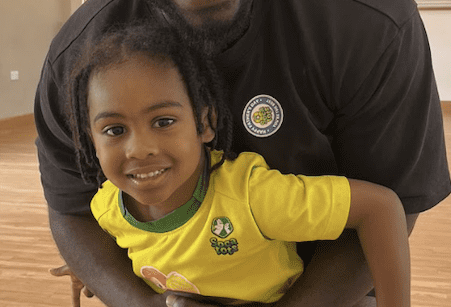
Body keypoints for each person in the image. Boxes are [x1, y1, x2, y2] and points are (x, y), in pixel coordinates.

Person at [35, 0, 451, 307]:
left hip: (325, 287)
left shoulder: (365, 18)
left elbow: (390, 204)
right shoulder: (81, 59)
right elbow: (74, 210)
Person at [66, 21, 411, 306]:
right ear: (91, 140)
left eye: (163, 122)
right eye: (114, 129)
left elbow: (380, 208)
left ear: (205, 123)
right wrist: (85, 269)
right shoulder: (108, 207)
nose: (139, 149)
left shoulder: (250, 195)